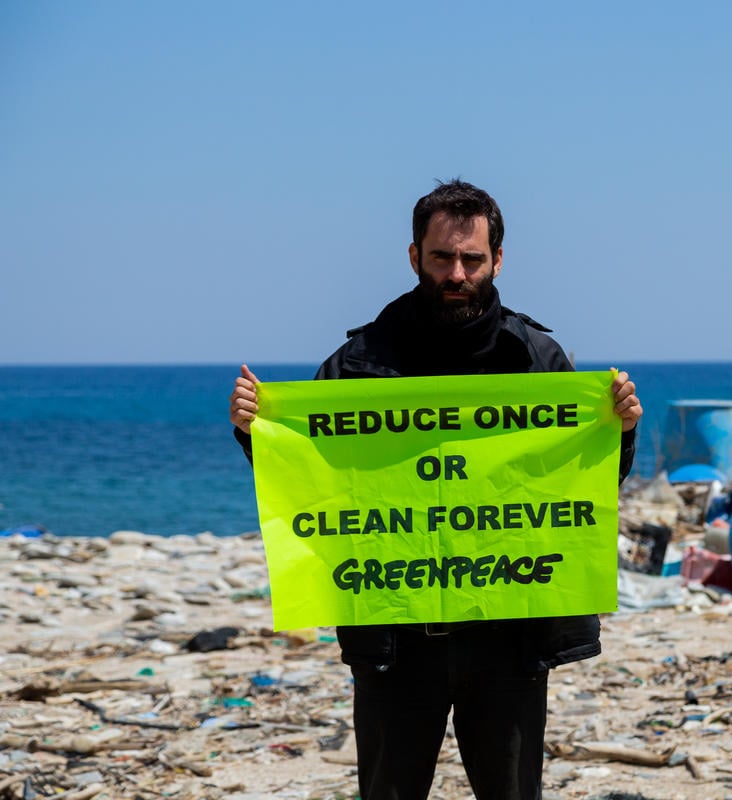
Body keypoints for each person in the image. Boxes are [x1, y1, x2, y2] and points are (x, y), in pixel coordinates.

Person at [228, 179, 642, 800]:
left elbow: (583, 486)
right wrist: (257, 432)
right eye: (442, 257)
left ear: (497, 260)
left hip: (510, 638)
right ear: (415, 255)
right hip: (395, 641)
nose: (457, 273)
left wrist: (622, 429)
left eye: (471, 259)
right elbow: (313, 480)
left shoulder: (536, 360)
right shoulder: (359, 362)